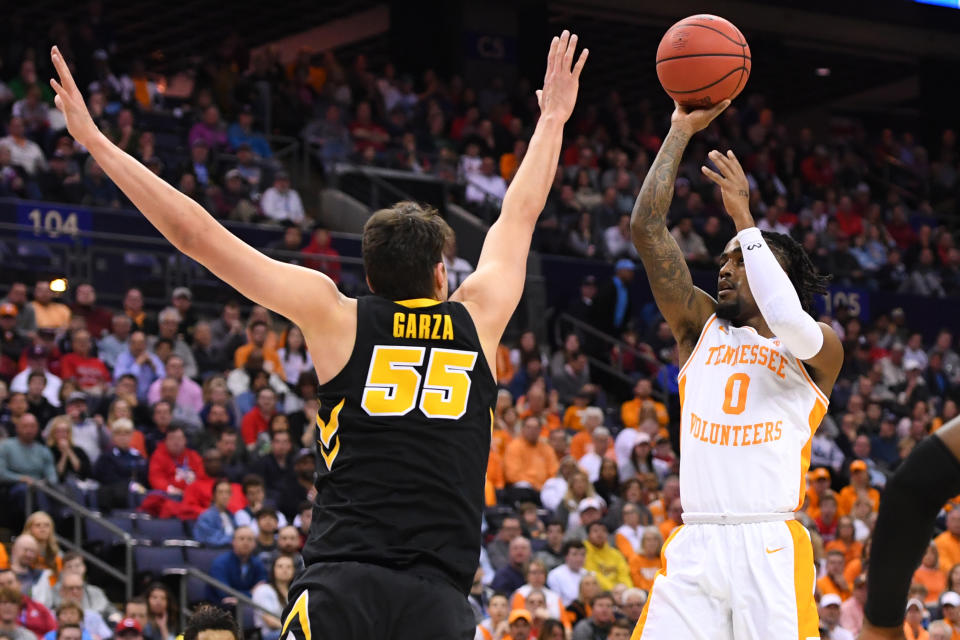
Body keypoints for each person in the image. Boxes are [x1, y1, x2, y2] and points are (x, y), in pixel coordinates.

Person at [49, 32, 587, 638]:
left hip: (341, 585)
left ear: (369, 276)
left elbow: (196, 235)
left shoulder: (337, 315)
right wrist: (552, 119)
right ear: (441, 272)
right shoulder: (478, 317)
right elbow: (520, 211)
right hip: (437, 598)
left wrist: (95, 142)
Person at [626, 99, 843, 639]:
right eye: (724, 259)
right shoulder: (700, 325)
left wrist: (746, 219)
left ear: (776, 274)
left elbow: (788, 319)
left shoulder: (817, 350)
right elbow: (647, 228)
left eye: (741, 261)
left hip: (769, 545)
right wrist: (678, 132)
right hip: (696, 542)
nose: (725, 269)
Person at [207, 527, 267, 604]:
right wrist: (252, 592)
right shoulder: (220, 563)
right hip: (221, 609)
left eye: (250, 539)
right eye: (241, 539)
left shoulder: (257, 562)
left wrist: (239, 598)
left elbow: (263, 586)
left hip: (249, 606)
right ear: (233, 542)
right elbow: (225, 593)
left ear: (255, 544)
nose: (246, 542)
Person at [251, 555, 293, 640]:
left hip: (286, 631)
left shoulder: (294, 592)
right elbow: (270, 621)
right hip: (268, 635)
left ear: (294, 571)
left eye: (289, 567)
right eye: (280, 566)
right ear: (273, 570)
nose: (284, 570)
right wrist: (293, 629)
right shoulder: (264, 590)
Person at [194, 479, 238, 547]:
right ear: (214, 495)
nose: (225, 496)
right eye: (221, 492)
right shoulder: (206, 517)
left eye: (227, 492)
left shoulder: (232, 516)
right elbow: (211, 540)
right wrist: (235, 540)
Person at [546, 541, 589, 607]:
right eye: (575, 554)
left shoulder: (588, 574)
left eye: (582, 554)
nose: (579, 558)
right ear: (566, 556)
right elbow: (555, 601)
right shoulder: (555, 575)